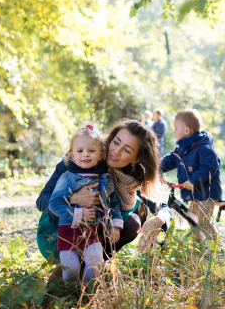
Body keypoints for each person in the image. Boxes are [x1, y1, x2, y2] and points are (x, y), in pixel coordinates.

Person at [36, 120, 172, 283]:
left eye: (126, 150)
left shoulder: (131, 177)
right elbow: (42, 201)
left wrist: (159, 219)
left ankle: (93, 264)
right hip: (60, 229)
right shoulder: (80, 158)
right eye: (116, 142)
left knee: (138, 212)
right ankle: (70, 266)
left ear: (135, 159)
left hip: (93, 231)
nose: (116, 151)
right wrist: (73, 199)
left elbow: (162, 207)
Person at [48, 125, 122, 286]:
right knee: (71, 267)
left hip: (94, 231)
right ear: (72, 155)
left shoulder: (106, 178)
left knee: (96, 264)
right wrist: (78, 213)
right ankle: (70, 293)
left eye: (91, 151)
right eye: (80, 151)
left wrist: (114, 224)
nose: (86, 154)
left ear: (101, 154)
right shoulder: (67, 177)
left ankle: (89, 293)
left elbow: (113, 204)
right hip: (69, 230)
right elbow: (54, 203)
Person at [160, 109, 222, 241]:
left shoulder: (204, 148)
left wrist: (193, 181)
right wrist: (154, 167)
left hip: (207, 194)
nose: (174, 131)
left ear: (187, 131)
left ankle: (215, 251)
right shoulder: (182, 149)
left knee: (202, 223)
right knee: (192, 221)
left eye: (176, 128)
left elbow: (210, 166)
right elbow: (170, 160)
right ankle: (198, 247)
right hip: (196, 194)